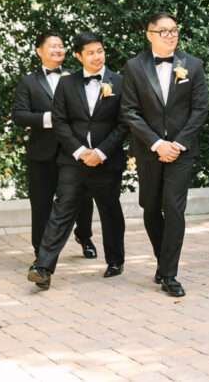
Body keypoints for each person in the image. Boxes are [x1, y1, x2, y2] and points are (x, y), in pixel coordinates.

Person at [28, 32, 128, 288]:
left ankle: (115, 260)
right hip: (73, 161)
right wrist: (80, 151)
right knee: (62, 210)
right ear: (78, 56)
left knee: (110, 209)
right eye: (90, 53)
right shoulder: (67, 83)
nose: (97, 57)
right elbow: (60, 121)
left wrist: (101, 152)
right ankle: (43, 267)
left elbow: (124, 122)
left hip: (108, 161)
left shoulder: (119, 82)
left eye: (100, 51)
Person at [120, 12, 209, 297]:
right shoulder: (134, 67)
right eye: (163, 31)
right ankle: (162, 260)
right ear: (149, 35)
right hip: (149, 150)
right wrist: (157, 143)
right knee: (150, 207)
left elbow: (200, 110)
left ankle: (169, 274)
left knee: (173, 208)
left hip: (181, 152)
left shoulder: (192, 65)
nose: (171, 36)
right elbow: (129, 111)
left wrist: (177, 144)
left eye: (174, 30)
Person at [11, 31, 95, 262]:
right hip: (42, 153)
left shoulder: (77, 77)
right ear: (39, 51)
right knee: (41, 203)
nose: (58, 50)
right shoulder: (28, 81)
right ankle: (40, 251)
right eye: (52, 46)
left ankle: (84, 236)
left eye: (61, 46)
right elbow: (19, 116)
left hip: (75, 150)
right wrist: (50, 118)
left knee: (83, 199)